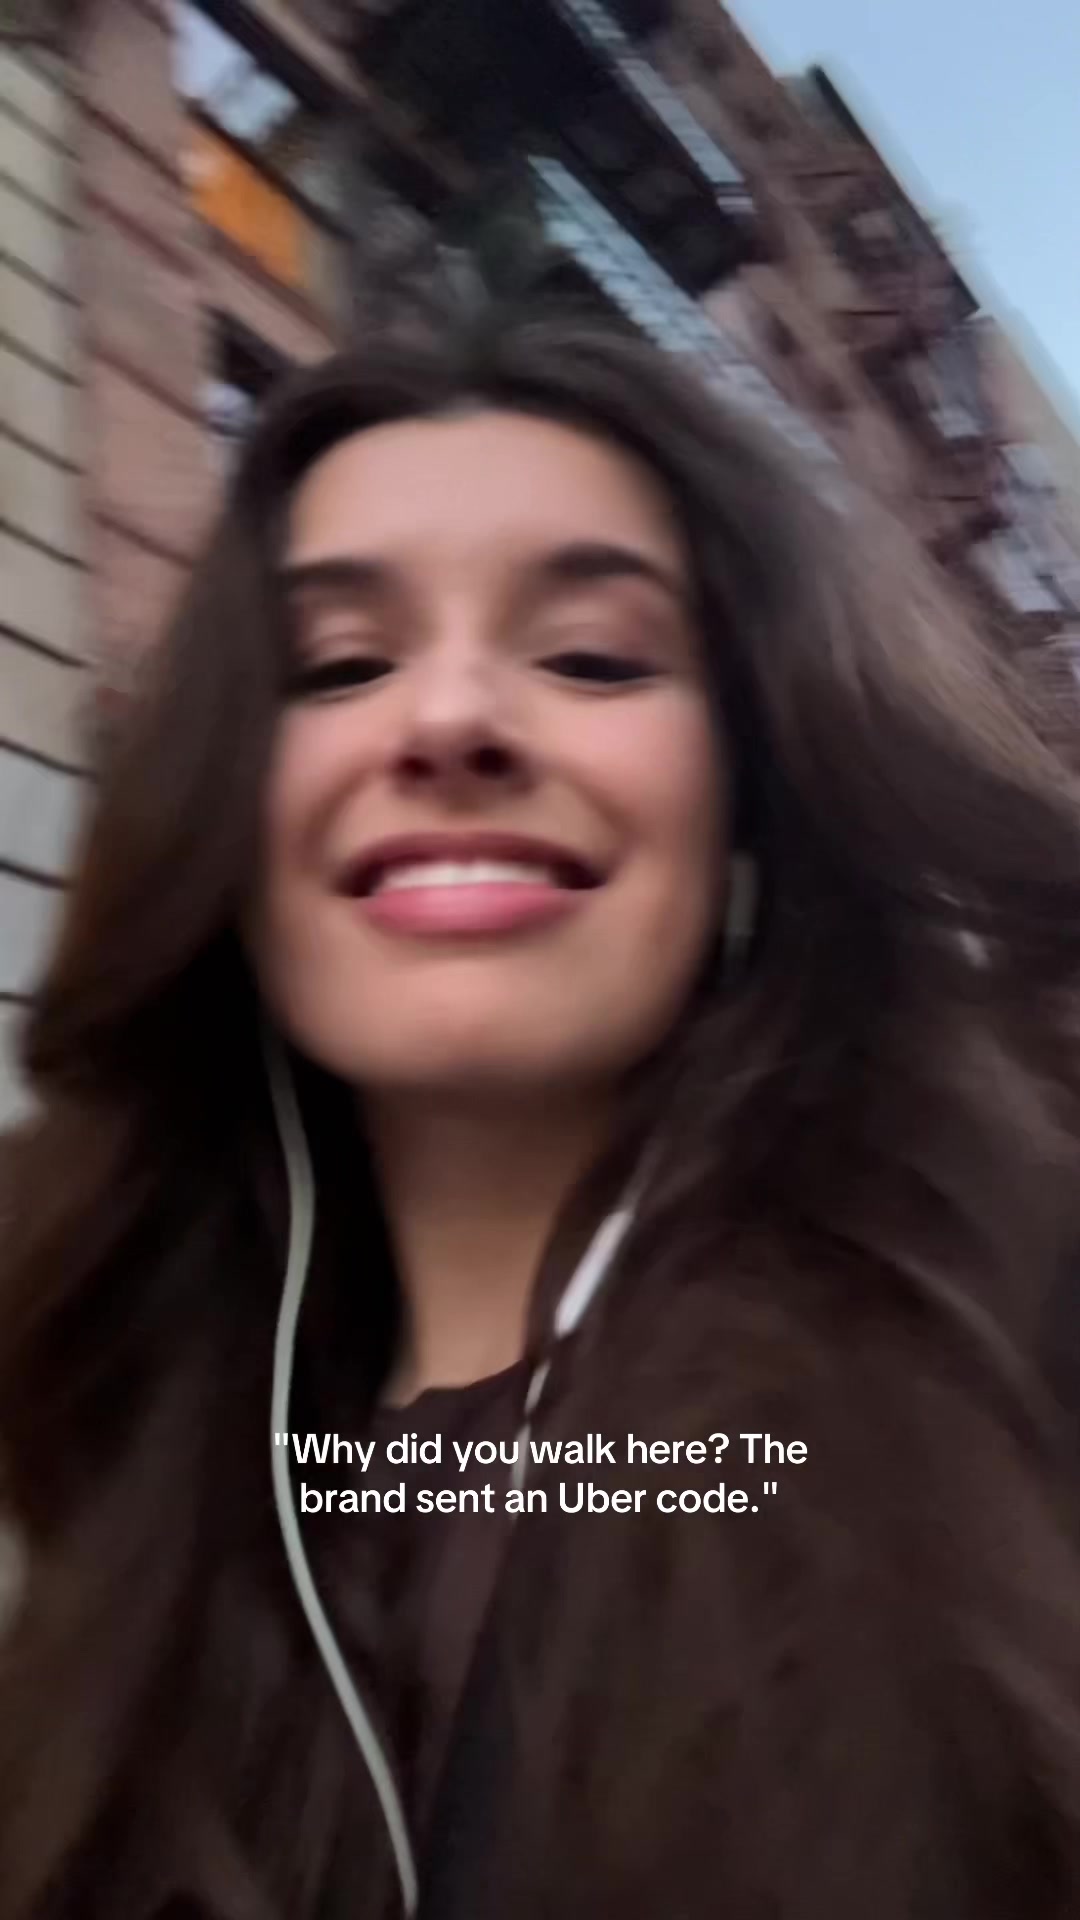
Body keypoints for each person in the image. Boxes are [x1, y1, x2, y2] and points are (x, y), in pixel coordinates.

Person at [2, 299, 1080, 1920]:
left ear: (753, 807)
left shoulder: (1026, 1341)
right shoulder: (127, 1434)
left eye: (590, 656)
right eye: (339, 666)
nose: (448, 722)